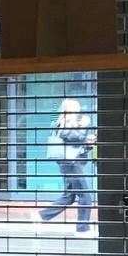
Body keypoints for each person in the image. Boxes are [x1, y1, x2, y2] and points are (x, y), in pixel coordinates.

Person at [38, 98, 95, 233]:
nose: (79, 112)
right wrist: (85, 124)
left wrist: (87, 143)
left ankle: (41, 215)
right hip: (71, 164)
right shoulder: (64, 125)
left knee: (69, 196)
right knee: (85, 196)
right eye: (77, 109)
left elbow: (75, 143)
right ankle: (82, 229)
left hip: (69, 164)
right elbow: (78, 137)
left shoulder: (66, 125)